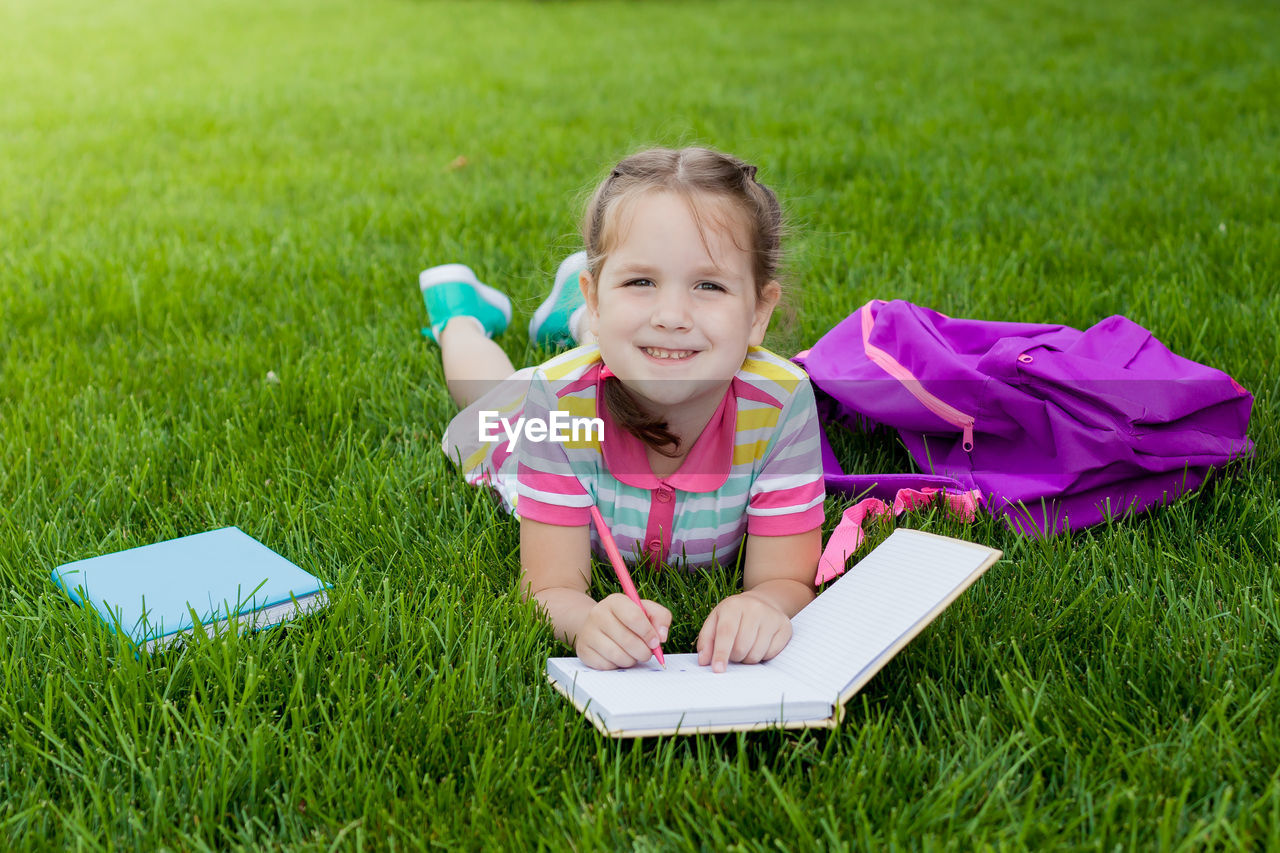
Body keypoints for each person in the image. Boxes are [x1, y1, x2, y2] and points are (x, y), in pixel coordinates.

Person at [419, 146, 824, 672]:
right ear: (597, 294)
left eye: (709, 285)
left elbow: (786, 579)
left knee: (643, 343)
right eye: (640, 281)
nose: (673, 314)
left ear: (758, 312)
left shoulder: (781, 402)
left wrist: (764, 604)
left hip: (615, 357)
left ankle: (589, 315)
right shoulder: (554, 402)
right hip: (539, 423)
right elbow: (548, 587)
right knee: (489, 389)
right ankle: (460, 316)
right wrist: (586, 620)